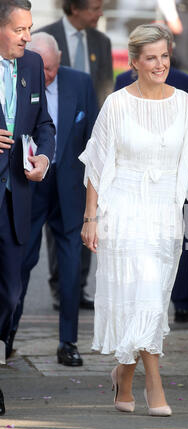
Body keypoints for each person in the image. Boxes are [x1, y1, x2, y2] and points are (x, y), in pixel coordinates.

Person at [80, 24, 188, 416]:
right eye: (151, 58)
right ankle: (154, 384)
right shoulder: (117, 104)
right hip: (122, 212)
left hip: (164, 216)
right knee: (144, 296)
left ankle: (123, 375)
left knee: (152, 300)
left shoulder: (183, 102)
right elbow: (97, 166)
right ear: (135, 61)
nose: (160, 65)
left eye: (165, 57)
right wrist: (91, 218)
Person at [7, 32, 99, 366]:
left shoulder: (80, 82)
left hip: (70, 187)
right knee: (19, 265)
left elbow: (93, 138)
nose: (48, 76)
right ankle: (8, 338)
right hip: (29, 184)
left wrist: (94, 195)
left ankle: (68, 342)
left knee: (72, 268)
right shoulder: (17, 78)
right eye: (44, 68)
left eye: (53, 69)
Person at [38, 0, 113, 311]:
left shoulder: (101, 41)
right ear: (75, 8)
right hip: (51, 144)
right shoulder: (43, 37)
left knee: (85, 217)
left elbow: (105, 91)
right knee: (56, 228)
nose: (99, 13)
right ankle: (61, 286)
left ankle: (78, 286)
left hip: (87, 142)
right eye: (94, 7)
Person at [0, 0, 55, 415]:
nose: (26, 37)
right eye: (19, 29)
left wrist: (43, 158)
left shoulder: (33, 65)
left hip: (16, 198)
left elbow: (44, 126)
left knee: (11, 292)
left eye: (29, 28)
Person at [114, 65, 188, 322]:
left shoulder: (183, 84)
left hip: (168, 176)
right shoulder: (184, 79)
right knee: (179, 241)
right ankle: (182, 306)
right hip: (162, 175)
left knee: (173, 240)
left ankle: (155, 305)